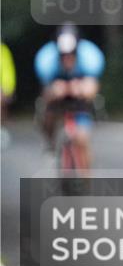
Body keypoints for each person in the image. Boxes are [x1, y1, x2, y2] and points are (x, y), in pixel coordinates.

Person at [34, 24, 105, 166]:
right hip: (56, 100)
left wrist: (81, 89)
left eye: (71, 54)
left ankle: (86, 176)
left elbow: (92, 87)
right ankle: (50, 144)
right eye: (63, 55)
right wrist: (54, 91)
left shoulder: (90, 57)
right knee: (46, 116)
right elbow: (45, 91)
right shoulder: (47, 59)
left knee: (82, 139)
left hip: (80, 101)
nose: (67, 58)